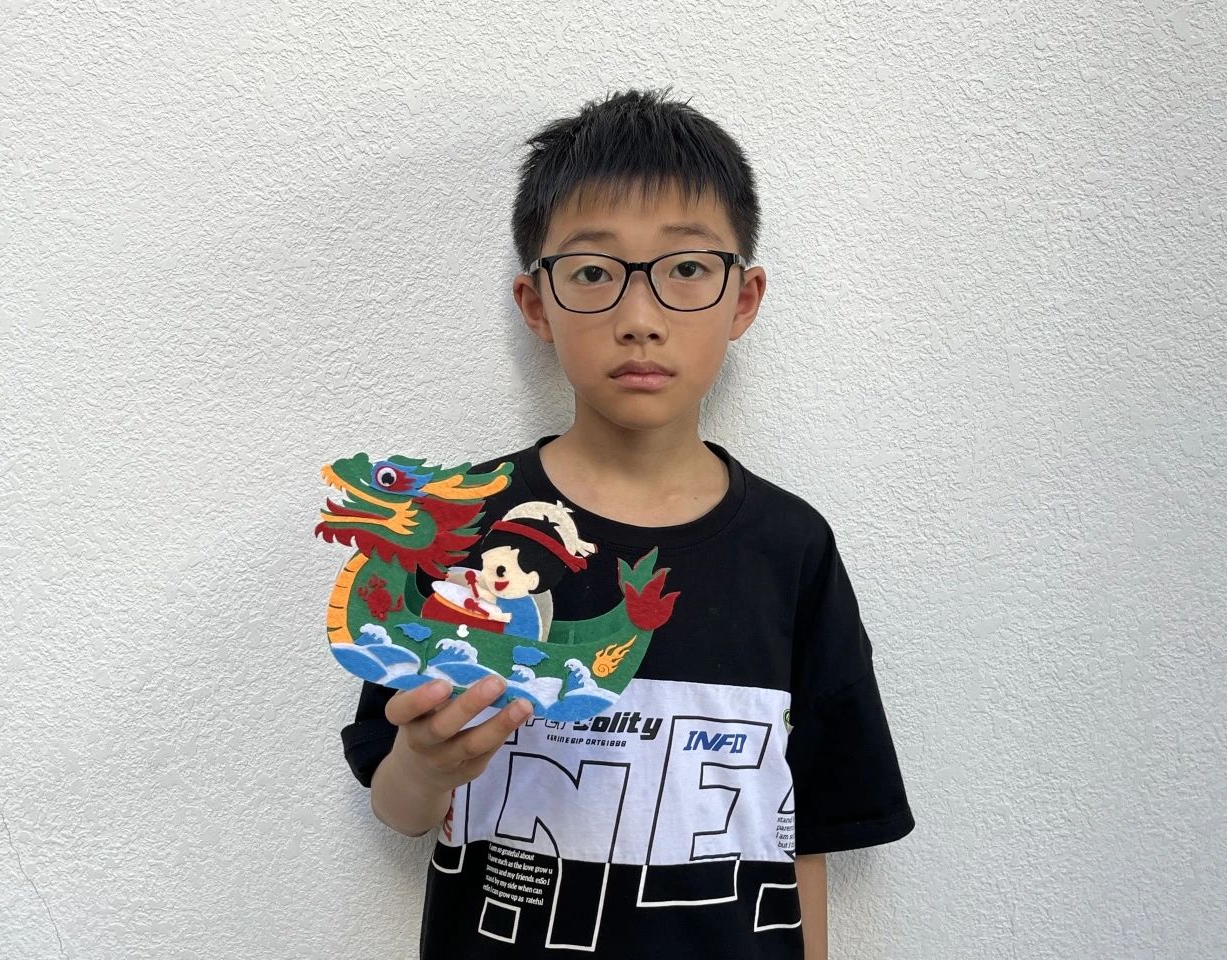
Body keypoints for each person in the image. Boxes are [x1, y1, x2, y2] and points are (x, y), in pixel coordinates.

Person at [339, 86, 915, 959]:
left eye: (686, 269)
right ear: (536, 304)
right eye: (593, 273)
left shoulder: (792, 549)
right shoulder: (453, 525)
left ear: (744, 298)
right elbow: (400, 809)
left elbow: (807, 831)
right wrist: (422, 765)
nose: (639, 320)